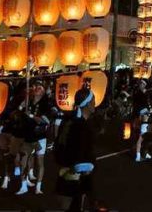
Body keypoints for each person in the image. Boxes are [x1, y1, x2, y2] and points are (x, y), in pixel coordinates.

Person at [55, 80, 97, 212]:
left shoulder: (68, 120)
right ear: (87, 104)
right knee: (74, 206)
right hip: (76, 174)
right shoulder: (82, 126)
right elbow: (81, 151)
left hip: (65, 171)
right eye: (93, 100)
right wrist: (84, 167)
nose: (95, 103)